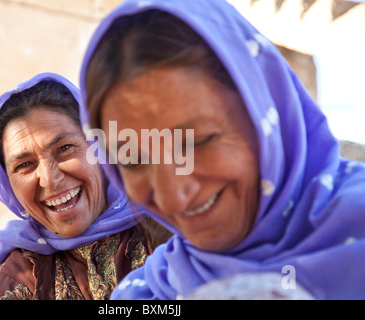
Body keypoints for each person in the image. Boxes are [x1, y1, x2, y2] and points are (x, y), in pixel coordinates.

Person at [79, 0, 365, 299]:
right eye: (133, 160)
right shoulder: (148, 294)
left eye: (197, 141)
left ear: (267, 114)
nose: (172, 196)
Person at [0, 72, 170, 300]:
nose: (50, 179)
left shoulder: (171, 230)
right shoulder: (16, 277)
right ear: (8, 185)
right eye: (25, 164)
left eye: (65, 148)